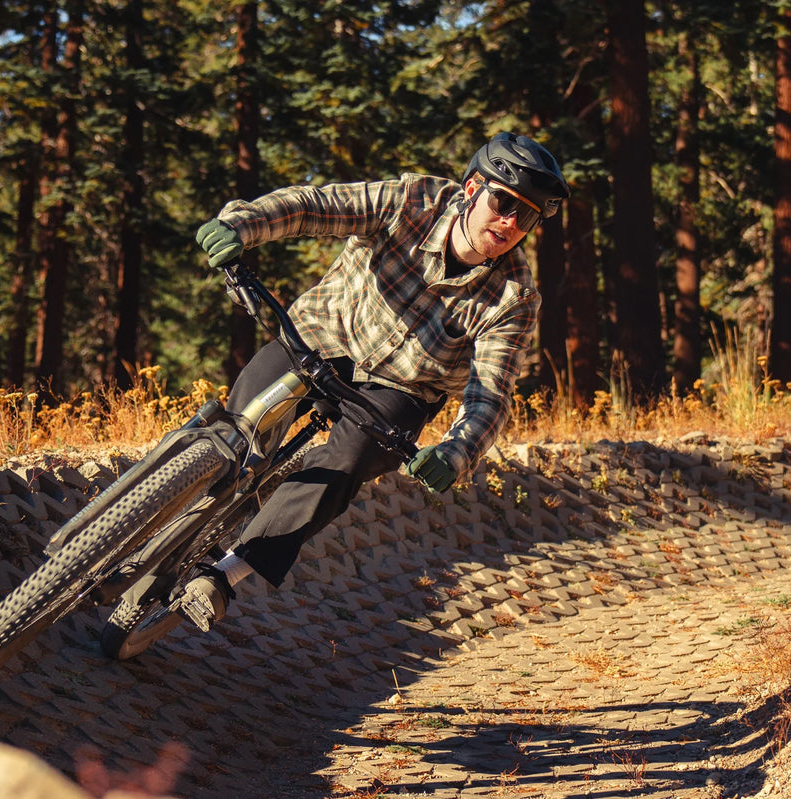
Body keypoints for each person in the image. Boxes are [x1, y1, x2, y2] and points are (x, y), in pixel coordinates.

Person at [178, 132, 569, 631]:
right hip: (324, 335)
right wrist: (241, 226)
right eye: (504, 202)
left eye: (528, 215)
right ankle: (165, 502)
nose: (511, 221)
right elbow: (314, 206)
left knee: (345, 463)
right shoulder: (411, 201)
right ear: (473, 187)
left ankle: (224, 576)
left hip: (402, 391)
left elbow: (489, 393)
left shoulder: (513, 297)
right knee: (238, 425)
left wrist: (456, 451)